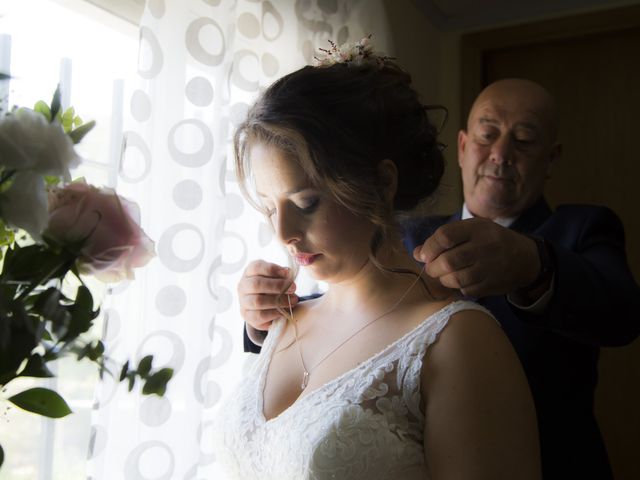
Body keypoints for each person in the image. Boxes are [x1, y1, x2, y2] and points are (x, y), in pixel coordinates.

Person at [238, 76, 640, 478]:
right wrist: (265, 318)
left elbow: (622, 314)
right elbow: (358, 322)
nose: (500, 153)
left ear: (551, 158)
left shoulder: (581, 230)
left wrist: (531, 263)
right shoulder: (406, 232)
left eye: (524, 140)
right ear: (464, 146)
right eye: (488, 134)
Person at [213, 38, 542, 479]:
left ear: (380, 183)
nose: (283, 234)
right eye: (271, 207)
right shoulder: (282, 322)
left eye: (307, 202)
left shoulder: (456, 340)